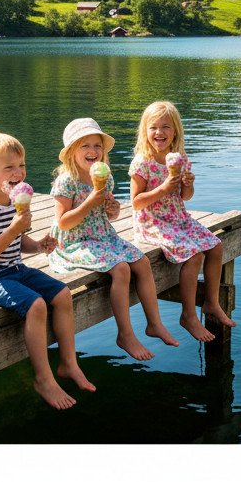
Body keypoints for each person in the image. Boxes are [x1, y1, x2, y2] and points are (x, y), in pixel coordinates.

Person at [0, 132, 95, 410]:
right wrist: (14, 229)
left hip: (13, 268)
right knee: (36, 305)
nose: (18, 172)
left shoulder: (13, 199)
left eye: (21, 165)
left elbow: (18, 241)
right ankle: (43, 379)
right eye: (9, 167)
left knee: (62, 294)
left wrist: (38, 246)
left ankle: (69, 364)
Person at [50, 117, 179, 361]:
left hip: (102, 236)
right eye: (85, 145)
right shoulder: (66, 181)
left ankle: (155, 323)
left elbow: (109, 215)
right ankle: (125, 335)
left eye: (97, 146)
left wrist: (113, 209)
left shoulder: (104, 177)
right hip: (75, 242)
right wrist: (89, 203)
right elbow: (63, 222)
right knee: (121, 269)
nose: (93, 151)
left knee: (142, 262)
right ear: (71, 152)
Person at [129, 100, 236, 342]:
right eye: (153, 127)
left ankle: (211, 303)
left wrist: (188, 185)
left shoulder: (179, 158)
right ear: (145, 131)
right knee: (194, 255)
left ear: (175, 131)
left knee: (216, 246)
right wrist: (163, 189)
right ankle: (188, 316)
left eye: (166, 127)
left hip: (178, 218)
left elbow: (185, 197)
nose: (159, 132)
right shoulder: (142, 163)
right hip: (152, 223)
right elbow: (135, 202)